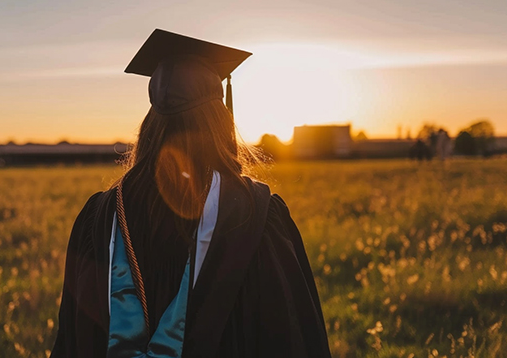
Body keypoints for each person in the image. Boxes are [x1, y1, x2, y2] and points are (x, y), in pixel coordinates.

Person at [50, 29, 331, 358]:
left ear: (150, 124)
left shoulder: (98, 218)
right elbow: (292, 338)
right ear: (219, 121)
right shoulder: (255, 218)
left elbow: (72, 339)